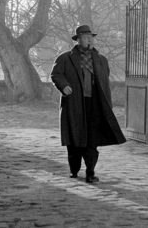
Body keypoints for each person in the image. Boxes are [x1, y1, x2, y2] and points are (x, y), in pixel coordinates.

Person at [50, 24, 127, 183]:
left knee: (92, 141)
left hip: (95, 105)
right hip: (74, 105)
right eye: (86, 37)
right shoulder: (65, 58)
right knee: (75, 140)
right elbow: (56, 74)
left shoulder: (101, 59)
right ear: (78, 40)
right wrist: (64, 86)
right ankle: (74, 170)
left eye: (91, 37)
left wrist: (106, 103)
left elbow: (104, 81)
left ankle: (90, 172)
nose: (90, 40)